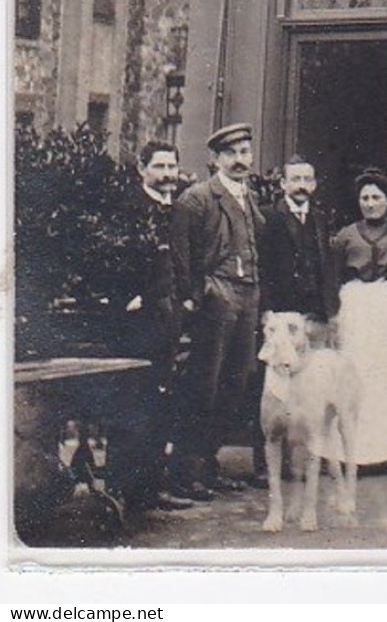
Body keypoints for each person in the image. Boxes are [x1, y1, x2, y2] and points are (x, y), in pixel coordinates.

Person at [170, 122, 264, 501]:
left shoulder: (248, 196)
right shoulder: (197, 199)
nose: (240, 160)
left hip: (248, 296)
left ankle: (209, 465)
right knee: (204, 384)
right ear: (215, 160)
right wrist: (199, 294)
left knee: (237, 382)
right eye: (231, 154)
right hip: (217, 296)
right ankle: (188, 471)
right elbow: (183, 256)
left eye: (244, 153)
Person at [251, 156, 340, 487]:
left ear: (314, 185)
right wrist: (268, 312)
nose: (301, 185)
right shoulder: (271, 218)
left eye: (307, 179)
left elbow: (325, 267)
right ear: (284, 184)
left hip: (310, 313)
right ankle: (265, 462)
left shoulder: (318, 218)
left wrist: (330, 311)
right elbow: (264, 266)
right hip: (281, 313)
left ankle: (301, 458)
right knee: (274, 385)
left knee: (306, 385)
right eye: (295, 179)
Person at [114, 140, 193, 513]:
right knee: (136, 401)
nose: (167, 175)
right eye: (159, 167)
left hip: (171, 319)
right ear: (142, 169)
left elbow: (183, 262)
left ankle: (151, 487)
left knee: (163, 399)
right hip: (138, 320)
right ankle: (125, 487)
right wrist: (132, 296)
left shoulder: (178, 212)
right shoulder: (129, 209)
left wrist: (186, 300)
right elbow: (114, 260)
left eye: (172, 167)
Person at [330, 170, 387, 469]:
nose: (370, 203)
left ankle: (386, 450)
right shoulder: (346, 235)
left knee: (386, 376)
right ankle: (351, 451)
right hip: (354, 305)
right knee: (354, 374)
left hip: (386, 305)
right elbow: (334, 277)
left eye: (376, 197)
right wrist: (334, 318)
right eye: (364, 198)